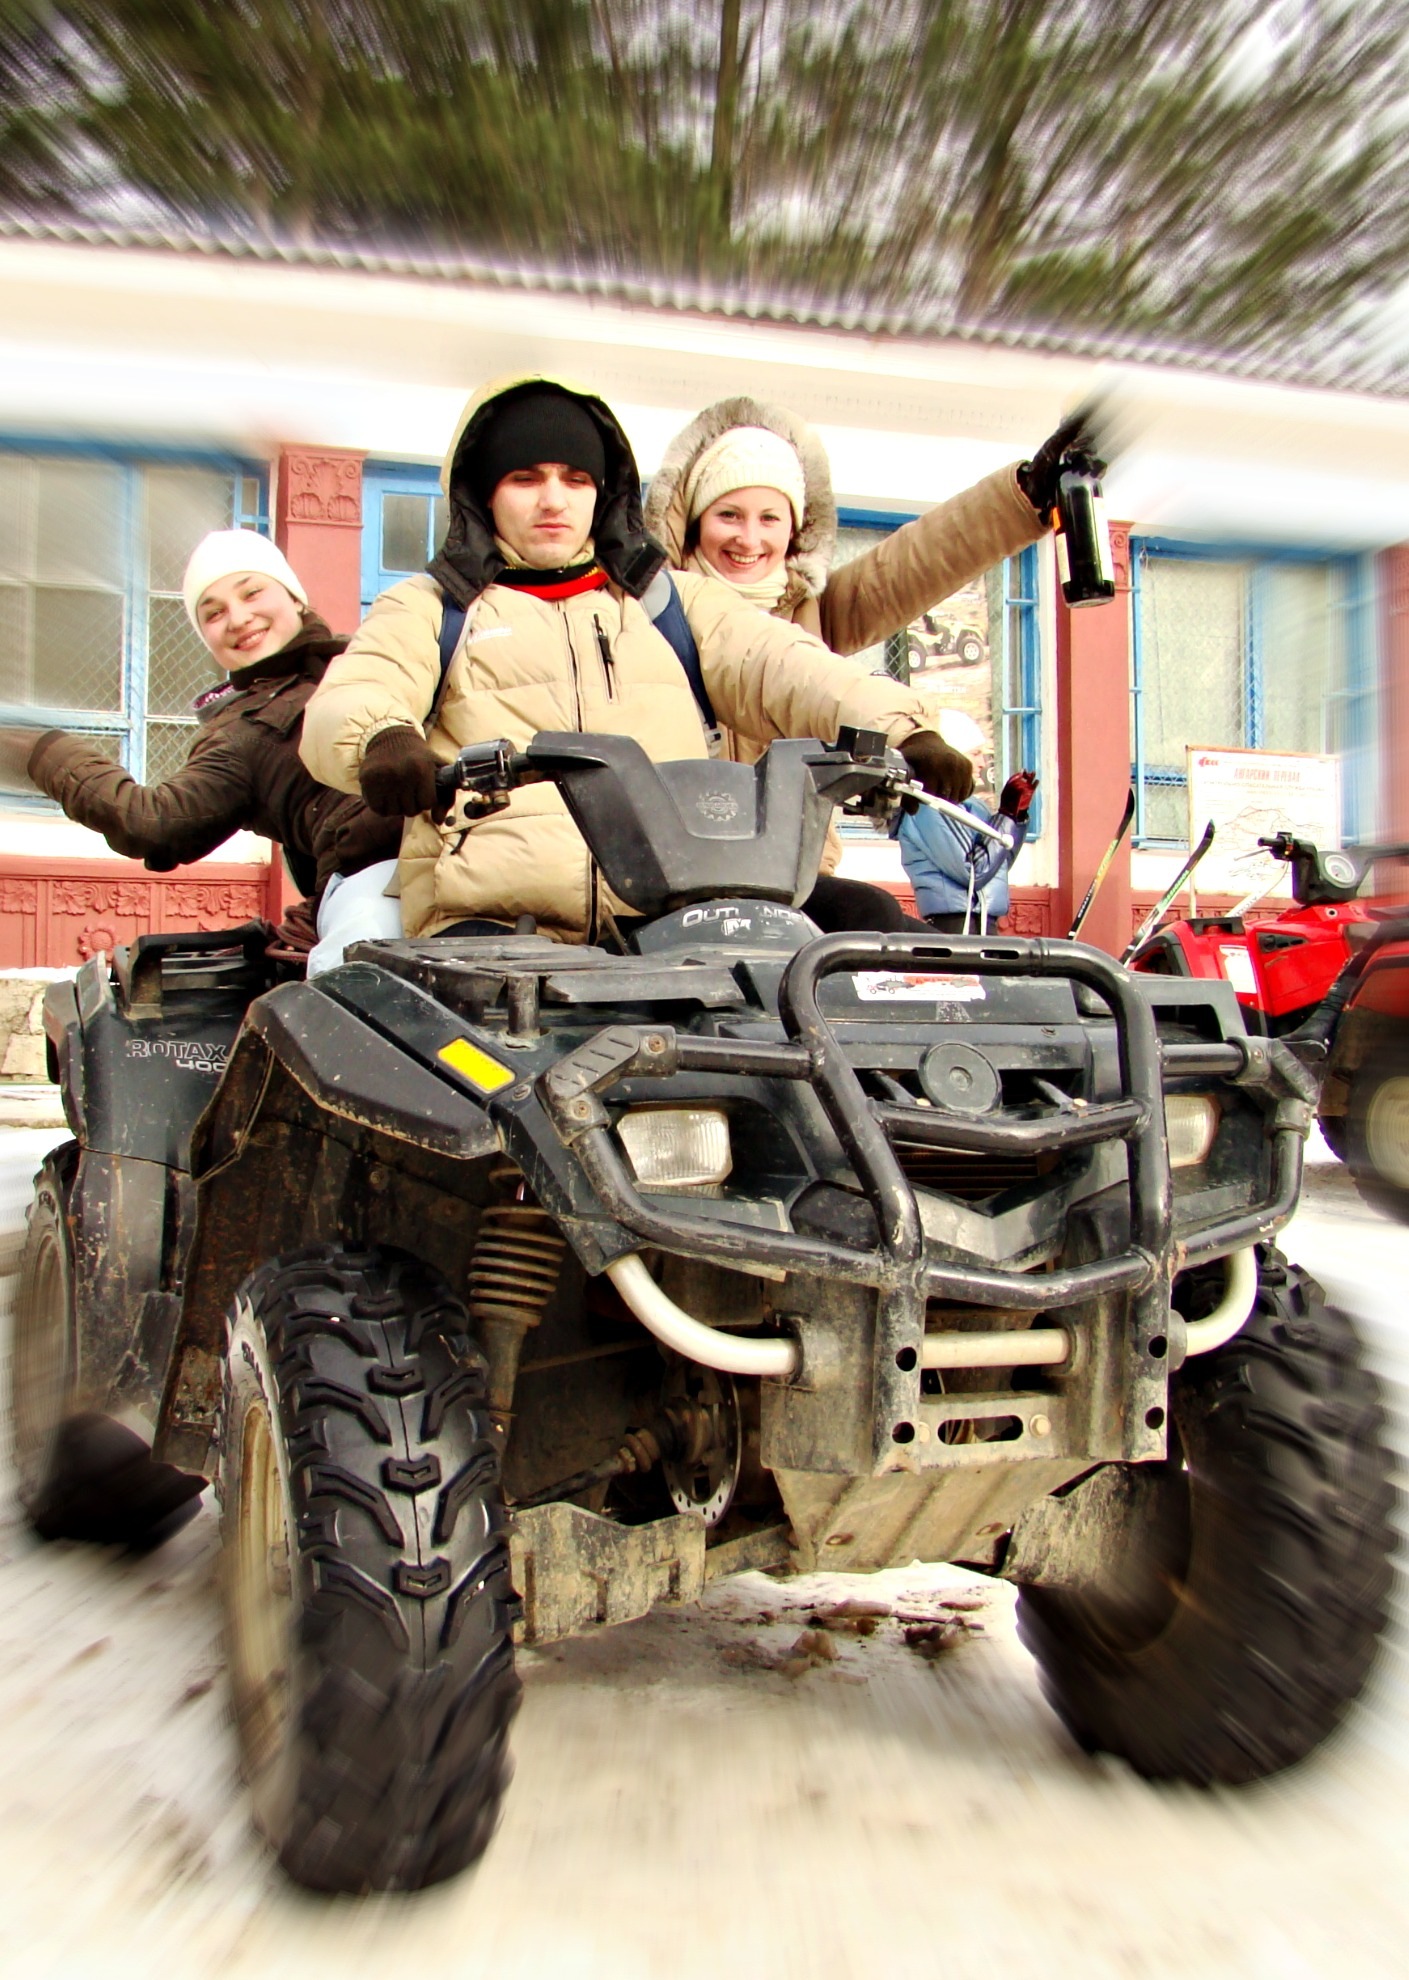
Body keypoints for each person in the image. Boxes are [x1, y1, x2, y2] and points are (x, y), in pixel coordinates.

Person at [299, 375, 977, 945]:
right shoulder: (433, 607)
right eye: (525, 478)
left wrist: (902, 729)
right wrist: (381, 738)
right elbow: (359, 688)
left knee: (863, 923)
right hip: (499, 918)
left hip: (672, 909)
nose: (554, 499)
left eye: (575, 478)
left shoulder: (672, 603)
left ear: (604, 490)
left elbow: (791, 667)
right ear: (484, 493)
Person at [642, 395, 1090, 921]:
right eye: (729, 515)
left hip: (788, 879)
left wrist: (1021, 498)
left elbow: (909, 566)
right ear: (696, 521)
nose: (750, 538)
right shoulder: (650, 613)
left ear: (796, 530)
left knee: (886, 932)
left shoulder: (807, 613)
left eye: (770, 518)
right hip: (669, 880)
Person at [0, 531, 401, 969]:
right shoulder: (243, 734)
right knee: (367, 976)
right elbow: (154, 822)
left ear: (293, 596)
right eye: (214, 613)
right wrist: (40, 752)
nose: (239, 618)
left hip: (455, 850)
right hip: (382, 881)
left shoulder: (372, 659)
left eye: (252, 592)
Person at [892, 712, 1036, 932]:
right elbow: (974, 872)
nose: (982, 763)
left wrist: (1016, 816)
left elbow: (998, 864)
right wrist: (1006, 817)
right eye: (975, 753)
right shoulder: (928, 805)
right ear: (953, 756)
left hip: (986, 921)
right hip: (954, 923)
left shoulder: (975, 806)